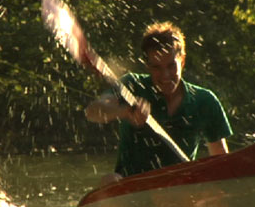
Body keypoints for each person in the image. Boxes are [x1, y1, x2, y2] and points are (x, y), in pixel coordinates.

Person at [85, 21, 232, 185]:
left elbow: (221, 162)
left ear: (182, 61)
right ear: (147, 66)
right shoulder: (132, 84)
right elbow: (92, 111)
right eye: (157, 67)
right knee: (109, 180)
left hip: (180, 190)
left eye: (171, 66)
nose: (165, 75)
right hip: (131, 189)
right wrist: (124, 111)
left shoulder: (205, 101)